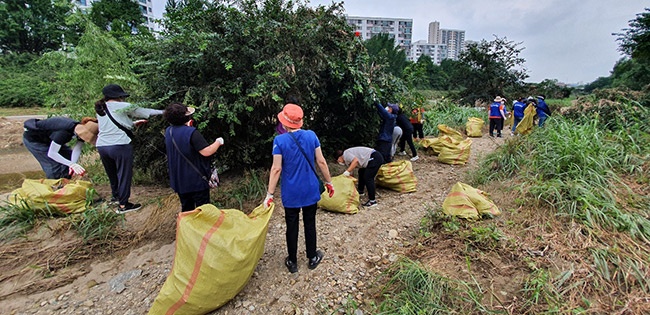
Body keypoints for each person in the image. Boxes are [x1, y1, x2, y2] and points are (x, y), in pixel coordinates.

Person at [263, 103, 334, 274]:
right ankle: (312, 257)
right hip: (310, 189)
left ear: (285, 123)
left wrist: (269, 194)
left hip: (291, 192)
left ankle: (292, 261)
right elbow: (321, 161)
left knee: (291, 225)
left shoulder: (279, 141)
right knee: (310, 223)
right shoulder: (311, 136)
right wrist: (329, 182)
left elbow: (276, 168)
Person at [94, 84, 164, 214]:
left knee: (112, 174)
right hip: (119, 145)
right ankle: (123, 205)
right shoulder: (122, 106)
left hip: (102, 145)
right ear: (119, 96)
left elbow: (111, 124)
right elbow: (146, 111)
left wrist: (132, 124)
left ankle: (115, 197)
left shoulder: (101, 107)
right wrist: (165, 112)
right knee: (124, 174)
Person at [163, 103, 224, 212]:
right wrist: (218, 142)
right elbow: (207, 151)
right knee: (204, 211)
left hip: (179, 182)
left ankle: (187, 228)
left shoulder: (169, 131)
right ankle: (203, 229)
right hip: (196, 181)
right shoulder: (192, 133)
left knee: (187, 210)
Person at [23, 116, 99, 179]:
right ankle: (55, 187)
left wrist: (72, 164)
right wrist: (72, 165)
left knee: (68, 156)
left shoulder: (79, 130)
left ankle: (66, 181)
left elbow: (77, 148)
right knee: (53, 166)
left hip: (50, 139)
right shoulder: (63, 133)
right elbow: (52, 153)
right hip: (35, 140)